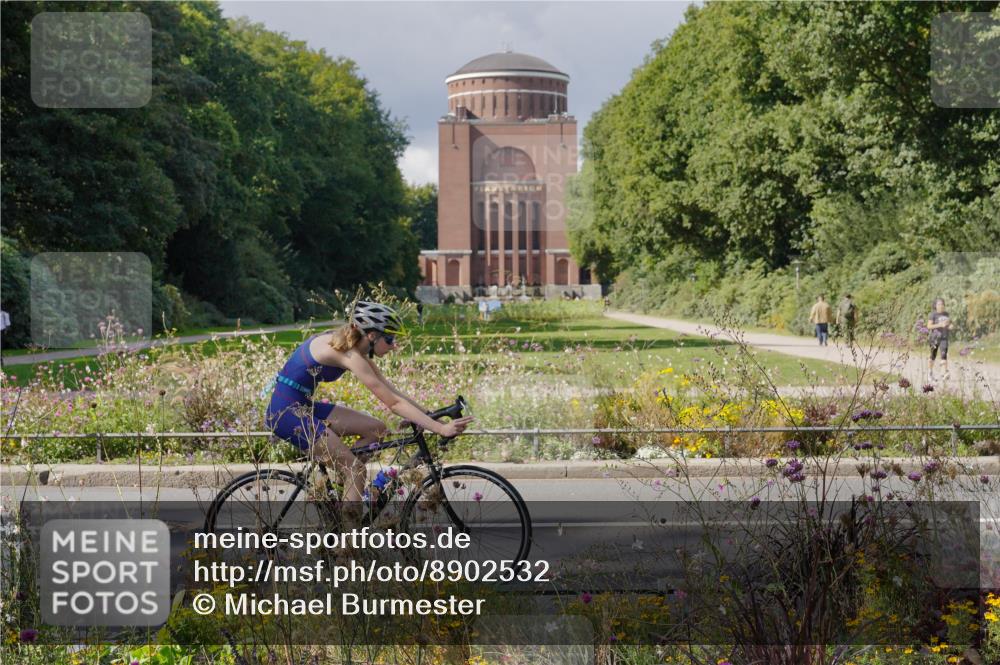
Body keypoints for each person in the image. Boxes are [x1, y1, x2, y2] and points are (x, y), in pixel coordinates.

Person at [264, 300, 473, 509]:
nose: (394, 345)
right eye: (390, 339)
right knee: (356, 470)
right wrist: (440, 429)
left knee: (377, 429)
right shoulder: (348, 354)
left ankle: (345, 492)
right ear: (372, 335)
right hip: (286, 413)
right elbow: (393, 403)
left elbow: (392, 390)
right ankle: (349, 539)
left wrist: (430, 415)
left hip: (301, 406)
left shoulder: (355, 349)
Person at [927, 298, 952, 380]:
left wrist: (950, 326)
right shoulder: (933, 315)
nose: (941, 306)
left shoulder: (946, 314)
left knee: (944, 355)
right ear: (935, 306)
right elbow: (929, 326)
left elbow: (949, 324)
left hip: (944, 338)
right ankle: (930, 373)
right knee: (932, 356)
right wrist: (939, 325)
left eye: (942, 304)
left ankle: (945, 373)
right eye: (939, 304)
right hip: (934, 338)